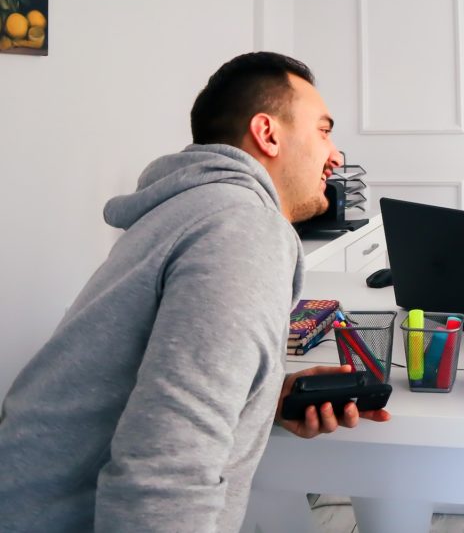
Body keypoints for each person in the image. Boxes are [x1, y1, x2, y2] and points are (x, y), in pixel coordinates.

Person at [0, 51, 390, 532]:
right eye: (324, 130)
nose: (335, 156)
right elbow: (166, 465)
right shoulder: (243, 228)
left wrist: (264, 396)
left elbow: (147, 387)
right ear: (268, 133)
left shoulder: (191, 208)